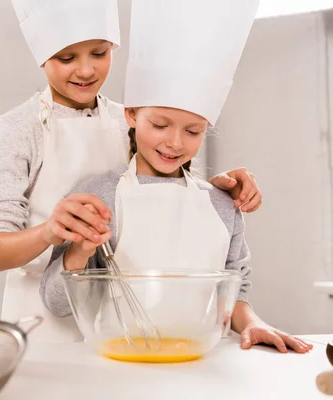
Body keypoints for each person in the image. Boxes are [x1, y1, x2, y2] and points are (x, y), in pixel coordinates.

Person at [0, 0, 263, 343]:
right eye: (66, 58)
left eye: (99, 53)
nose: (85, 70)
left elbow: (160, 181)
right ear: (41, 56)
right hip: (41, 320)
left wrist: (216, 190)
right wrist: (51, 233)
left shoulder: (130, 119)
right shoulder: (18, 130)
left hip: (118, 321)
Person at [39, 0, 313, 353]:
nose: (174, 142)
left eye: (193, 131)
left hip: (202, 362)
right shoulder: (99, 195)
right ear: (133, 114)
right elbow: (56, 302)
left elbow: (234, 292)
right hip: (118, 363)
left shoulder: (222, 205)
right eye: (159, 124)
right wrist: (80, 249)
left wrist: (255, 323)